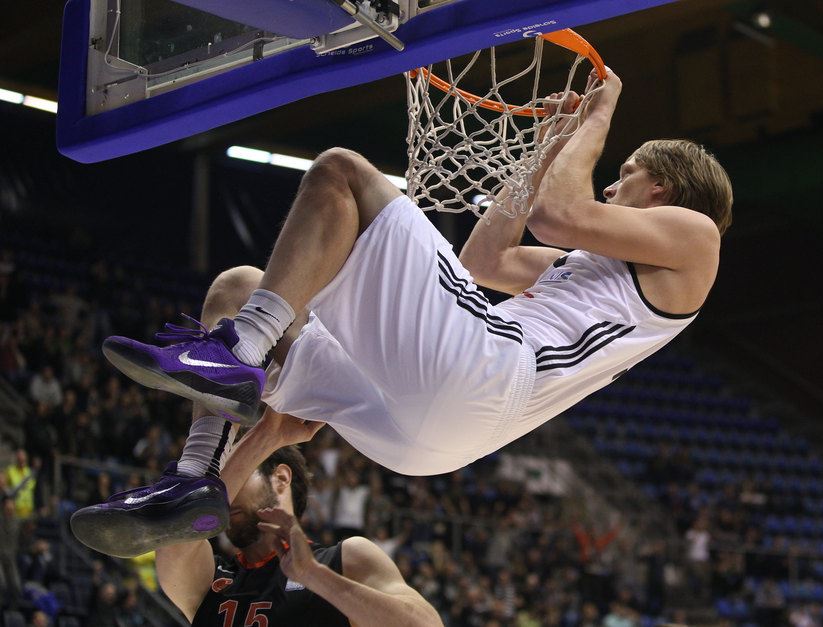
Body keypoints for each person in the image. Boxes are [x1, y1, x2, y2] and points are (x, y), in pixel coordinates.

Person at [78, 67, 732, 555]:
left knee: (341, 172)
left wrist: (594, 120)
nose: (615, 185)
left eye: (626, 173)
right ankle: (193, 477)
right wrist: (545, 147)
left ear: (665, 190)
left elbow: (561, 214)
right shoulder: (595, 275)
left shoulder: (697, 241)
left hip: (482, 370)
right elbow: (483, 260)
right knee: (237, 286)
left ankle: (236, 354)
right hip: (427, 436)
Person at [156, 408, 441, 625]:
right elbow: (178, 532)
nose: (224, 493)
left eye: (237, 474)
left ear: (280, 478)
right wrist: (264, 436)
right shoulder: (206, 578)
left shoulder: (345, 560)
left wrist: (315, 576)